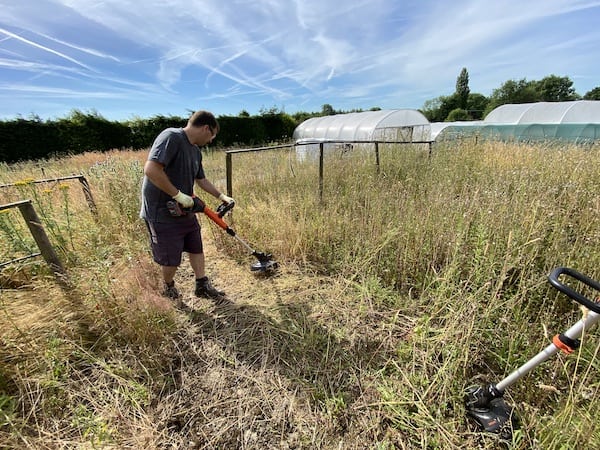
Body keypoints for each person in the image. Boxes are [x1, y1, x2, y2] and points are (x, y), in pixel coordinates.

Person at [140, 110, 234, 301]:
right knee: (171, 259)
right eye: (212, 135)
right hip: (161, 212)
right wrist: (177, 195)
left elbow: (201, 180)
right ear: (206, 128)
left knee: (196, 246)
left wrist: (221, 196)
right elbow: (151, 169)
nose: (211, 141)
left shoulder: (195, 151)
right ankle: (168, 286)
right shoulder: (171, 137)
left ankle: (202, 285)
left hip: (184, 209)